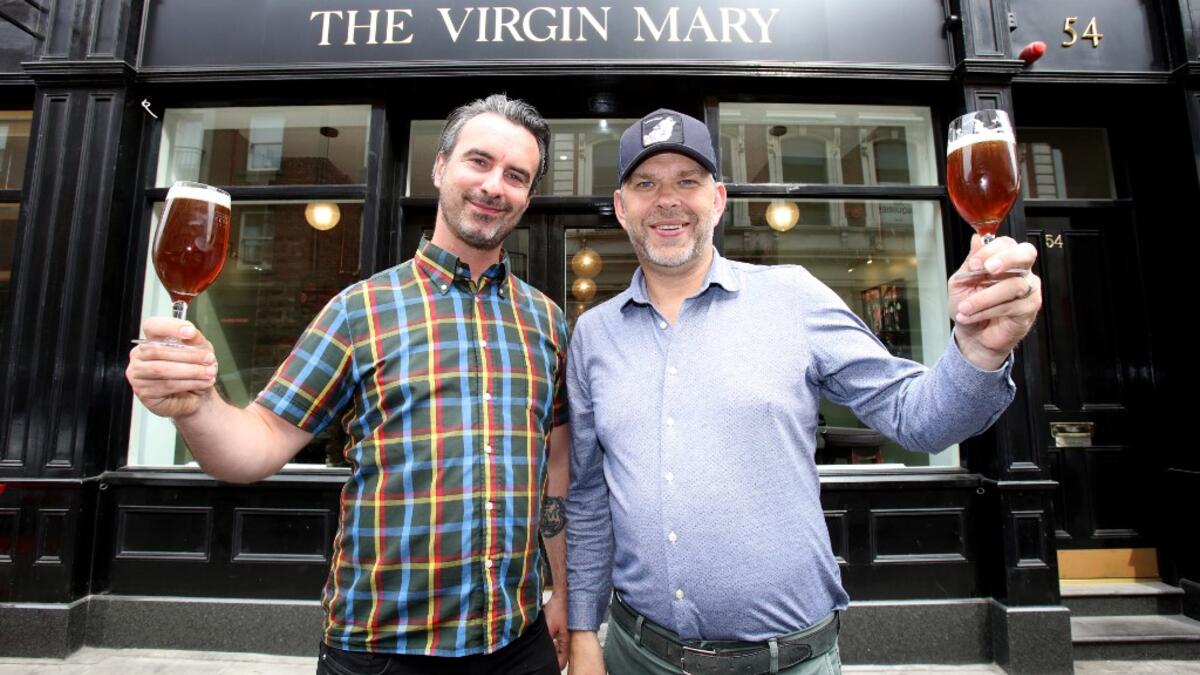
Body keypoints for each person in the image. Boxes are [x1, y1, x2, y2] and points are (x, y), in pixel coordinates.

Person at [565, 109, 1042, 674]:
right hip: (638, 657)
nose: (667, 199)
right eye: (646, 184)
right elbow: (590, 498)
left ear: (717, 199)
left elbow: (919, 420)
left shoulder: (794, 298)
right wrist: (582, 632)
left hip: (788, 663)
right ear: (622, 208)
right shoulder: (593, 335)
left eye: (687, 181)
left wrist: (980, 352)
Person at [127, 95, 571, 675]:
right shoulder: (359, 311)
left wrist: (562, 591)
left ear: (528, 196)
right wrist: (197, 405)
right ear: (440, 168)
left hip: (518, 643)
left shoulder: (546, 319)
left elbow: (554, 464)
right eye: (478, 162)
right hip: (382, 650)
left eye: (516, 175)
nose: (494, 185)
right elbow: (255, 446)